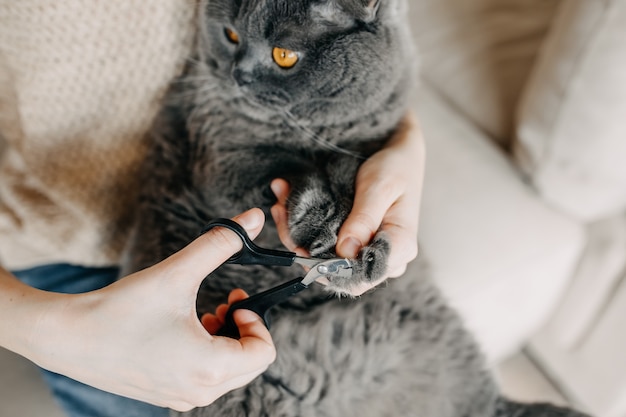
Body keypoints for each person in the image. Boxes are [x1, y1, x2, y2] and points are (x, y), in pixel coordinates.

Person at [0, 3, 425, 416]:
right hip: (62, 262)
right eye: (232, 38)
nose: (238, 76)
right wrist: (45, 330)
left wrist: (406, 145)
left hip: (264, 216)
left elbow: (363, 32)